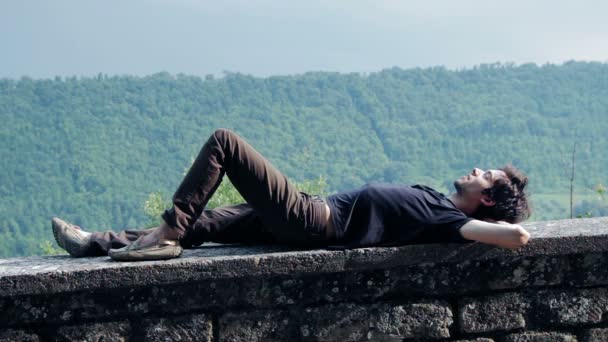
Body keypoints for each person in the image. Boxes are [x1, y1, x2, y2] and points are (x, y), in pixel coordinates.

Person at [52, 129, 532, 262]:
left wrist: (512, 227)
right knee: (209, 223)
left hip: (308, 220)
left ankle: (166, 236)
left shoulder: (450, 222)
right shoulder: (439, 204)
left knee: (226, 143)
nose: (474, 170)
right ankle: (96, 242)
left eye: (484, 175)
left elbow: (516, 238)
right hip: (306, 212)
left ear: (488, 198)